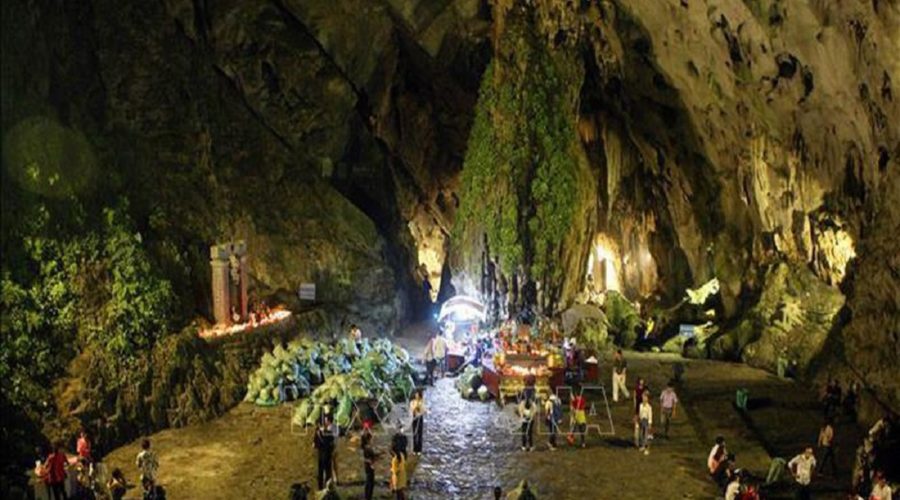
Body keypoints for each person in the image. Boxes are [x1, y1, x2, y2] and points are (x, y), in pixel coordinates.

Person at [314, 418, 335, 490]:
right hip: (328, 455)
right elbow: (332, 445)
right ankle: (328, 488)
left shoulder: (317, 433)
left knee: (320, 472)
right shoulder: (329, 433)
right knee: (328, 473)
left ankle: (320, 487)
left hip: (320, 455)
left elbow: (315, 445)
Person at [361, 432, 377, 500]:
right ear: (368, 439)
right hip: (369, 467)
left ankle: (368, 497)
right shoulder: (367, 448)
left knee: (370, 482)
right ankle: (368, 497)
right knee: (370, 483)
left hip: (370, 466)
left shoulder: (368, 447)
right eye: (371, 439)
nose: (372, 440)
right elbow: (367, 458)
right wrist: (371, 462)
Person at [410, 390, 426, 455]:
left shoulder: (422, 402)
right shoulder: (412, 402)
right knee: (414, 434)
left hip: (420, 418)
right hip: (414, 419)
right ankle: (415, 449)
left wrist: (421, 407)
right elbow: (411, 410)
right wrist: (415, 406)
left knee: (420, 434)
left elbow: (424, 411)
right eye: (415, 394)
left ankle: (419, 449)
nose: (416, 396)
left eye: (417, 394)